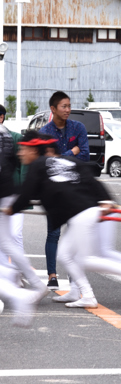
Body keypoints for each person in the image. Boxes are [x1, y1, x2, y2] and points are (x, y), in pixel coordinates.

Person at [6, 131, 121, 309]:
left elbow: (26, 195)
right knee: (65, 255)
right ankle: (87, 295)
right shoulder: (68, 160)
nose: (20, 153)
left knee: (84, 260)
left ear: (33, 150)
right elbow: (92, 181)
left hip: (81, 213)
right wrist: (105, 200)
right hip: (84, 211)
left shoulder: (38, 165)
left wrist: (10, 209)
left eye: (23, 149)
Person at [39, 91, 90, 289]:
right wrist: (73, 151)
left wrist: (65, 154)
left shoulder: (79, 128)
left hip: (74, 189)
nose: (68, 110)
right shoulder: (45, 132)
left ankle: (73, 276)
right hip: (53, 190)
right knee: (53, 233)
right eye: (64, 106)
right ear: (53, 109)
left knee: (74, 233)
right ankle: (52, 275)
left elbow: (84, 156)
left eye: (69, 106)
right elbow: (49, 162)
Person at [0, 105, 45, 296]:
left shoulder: (9, 136)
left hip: (5, 192)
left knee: (10, 240)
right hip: (8, 191)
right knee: (7, 242)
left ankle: (12, 283)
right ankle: (25, 282)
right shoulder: (7, 136)